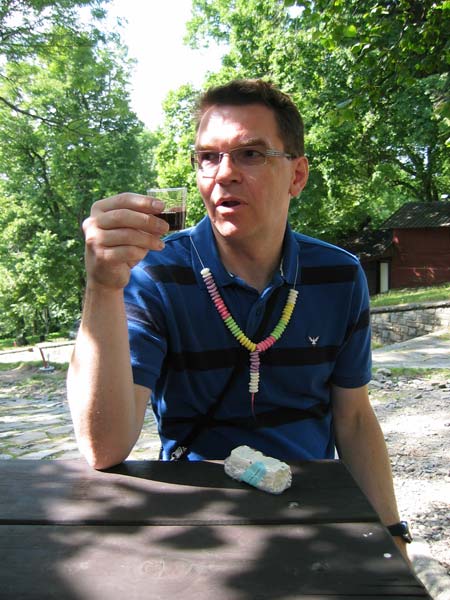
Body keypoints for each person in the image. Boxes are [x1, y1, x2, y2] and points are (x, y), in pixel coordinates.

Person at [67, 78, 411, 558]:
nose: (223, 173)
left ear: (297, 175)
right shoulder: (155, 274)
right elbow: (103, 449)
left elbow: (352, 419)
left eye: (251, 154)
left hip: (310, 508)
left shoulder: (338, 275)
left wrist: (393, 532)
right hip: (194, 516)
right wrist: (102, 288)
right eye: (208, 156)